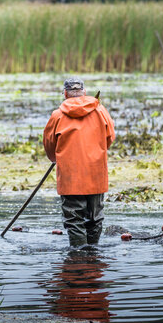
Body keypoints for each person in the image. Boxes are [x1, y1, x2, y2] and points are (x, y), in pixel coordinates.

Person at [43, 77, 115, 247]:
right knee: (95, 218)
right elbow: (110, 138)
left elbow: (49, 144)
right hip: (96, 172)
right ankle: (92, 259)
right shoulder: (100, 110)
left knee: (74, 219)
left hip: (70, 175)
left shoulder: (57, 115)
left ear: (65, 93)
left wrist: (55, 158)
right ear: (83, 92)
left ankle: (78, 259)